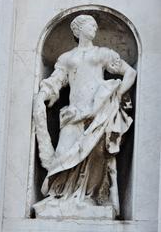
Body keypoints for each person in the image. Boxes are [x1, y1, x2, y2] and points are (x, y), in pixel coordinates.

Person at [33, 14, 137, 217]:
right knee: (64, 154)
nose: (95, 28)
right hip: (73, 113)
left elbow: (130, 72)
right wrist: (43, 94)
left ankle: (88, 197)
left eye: (95, 25)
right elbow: (57, 80)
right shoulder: (66, 58)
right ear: (78, 29)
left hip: (97, 113)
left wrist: (115, 95)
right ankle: (62, 197)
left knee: (96, 157)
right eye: (90, 25)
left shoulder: (102, 53)